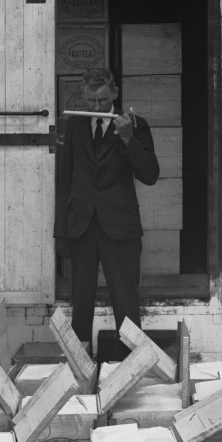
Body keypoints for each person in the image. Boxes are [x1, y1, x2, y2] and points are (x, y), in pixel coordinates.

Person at [55, 65, 160, 357]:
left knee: (126, 305)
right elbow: (65, 179)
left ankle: (132, 370)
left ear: (114, 93)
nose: (97, 107)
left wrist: (127, 138)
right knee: (81, 306)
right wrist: (60, 232)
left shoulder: (135, 125)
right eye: (91, 102)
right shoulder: (76, 125)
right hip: (82, 227)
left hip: (121, 228)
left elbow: (150, 174)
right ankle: (79, 373)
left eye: (102, 101)